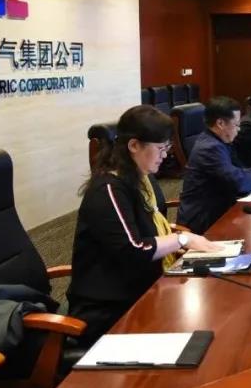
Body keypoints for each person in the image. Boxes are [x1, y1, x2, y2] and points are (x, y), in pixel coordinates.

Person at [68, 105, 222, 346]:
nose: (165, 155)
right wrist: (182, 240)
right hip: (112, 308)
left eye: (167, 148)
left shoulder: (142, 180)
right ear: (134, 145)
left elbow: (150, 228)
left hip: (146, 286)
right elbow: (134, 249)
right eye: (161, 148)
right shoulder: (109, 189)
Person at [178, 96, 251, 235]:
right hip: (204, 220)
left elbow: (236, 170)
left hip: (219, 208)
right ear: (220, 123)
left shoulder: (218, 142)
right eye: (236, 125)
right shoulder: (210, 148)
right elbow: (236, 181)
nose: (239, 129)